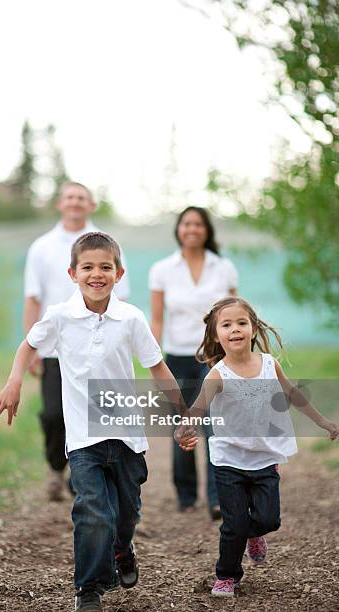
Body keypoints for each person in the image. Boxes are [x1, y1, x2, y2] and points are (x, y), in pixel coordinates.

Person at [0, 232, 187, 612]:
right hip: (82, 438)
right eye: (88, 267)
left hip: (127, 437)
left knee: (126, 515)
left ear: (119, 273)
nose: (97, 274)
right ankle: (88, 589)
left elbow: (157, 367)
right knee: (93, 510)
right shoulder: (60, 316)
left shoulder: (130, 317)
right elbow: (28, 344)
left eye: (105, 267)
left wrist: (182, 414)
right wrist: (14, 381)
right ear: (72, 273)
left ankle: (123, 549)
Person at [175, 296, 339, 598]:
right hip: (228, 460)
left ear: (253, 328)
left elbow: (293, 395)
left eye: (241, 322)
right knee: (234, 524)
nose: (235, 329)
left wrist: (324, 422)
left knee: (268, 520)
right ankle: (226, 576)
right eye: (227, 325)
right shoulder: (217, 374)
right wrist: (182, 430)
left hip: (264, 458)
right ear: (216, 335)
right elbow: (197, 409)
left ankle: (255, 536)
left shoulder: (268, 365)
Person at [24, 182, 130, 501]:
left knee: (93, 414)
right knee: (55, 414)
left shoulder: (109, 243)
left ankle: (82, 477)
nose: (75, 203)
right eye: (69, 197)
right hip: (54, 348)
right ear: (60, 204)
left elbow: (120, 297)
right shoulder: (41, 247)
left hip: (97, 346)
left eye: (81, 198)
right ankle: (57, 467)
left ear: (91, 205)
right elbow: (32, 298)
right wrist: (31, 348)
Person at [149, 206, 238, 518]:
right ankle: (186, 495)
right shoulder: (162, 269)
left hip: (214, 357)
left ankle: (217, 498)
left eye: (198, 224)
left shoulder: (223, 267)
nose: (192, 229)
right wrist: (154, 357)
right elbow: (157, 318)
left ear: (206, 230)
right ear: (178, 229)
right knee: (184, 424)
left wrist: (237, 356)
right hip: (176, 357)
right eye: (186, 223)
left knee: (215, 425)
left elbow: (234, 316)